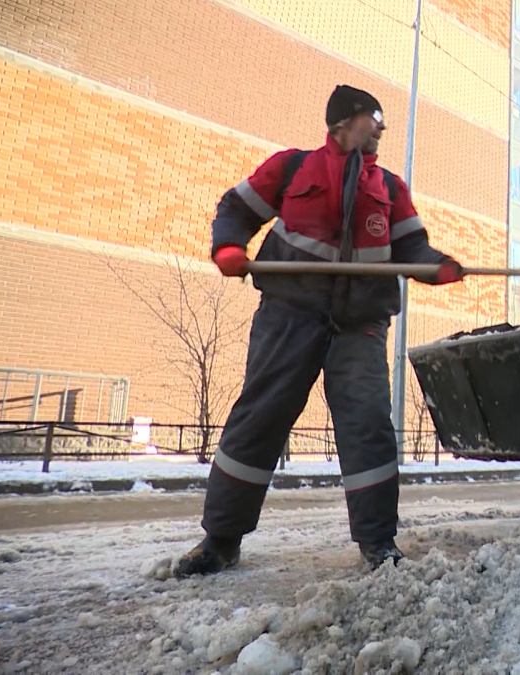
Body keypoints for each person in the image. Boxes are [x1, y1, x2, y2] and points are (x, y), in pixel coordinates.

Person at [174, 85, 464, 578]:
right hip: (289, 314)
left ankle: (378, 544)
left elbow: (412, 246)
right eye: (375, 116)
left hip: (360, 326)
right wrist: (228, 247)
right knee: (260, 417)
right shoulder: (292, 168)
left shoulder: (391, 188)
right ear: (344, 122)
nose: (382, 127)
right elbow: (237, 209)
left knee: (369, 424)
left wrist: (438, 267)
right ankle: (220, 541)